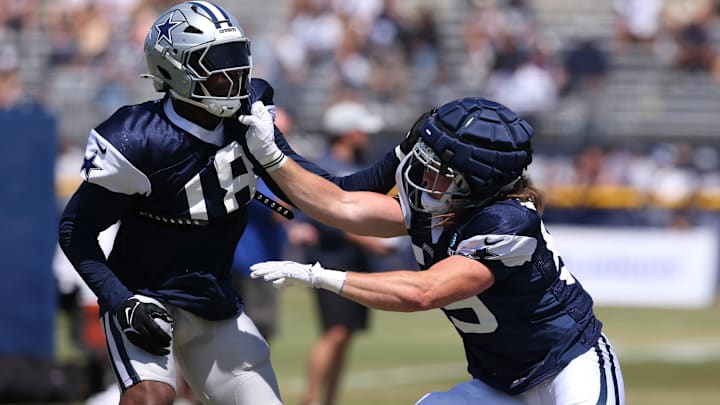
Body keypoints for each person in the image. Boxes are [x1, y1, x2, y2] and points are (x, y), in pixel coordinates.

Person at [57, 2, 405, 404]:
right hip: (145, 298)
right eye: (216, 62)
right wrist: (120, 300)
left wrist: (399, 155)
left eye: (237, 56)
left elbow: (332, 188)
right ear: (173, 69)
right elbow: (75, 230)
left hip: (213, 302)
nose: (233, 73)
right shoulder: (139, 139)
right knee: (150, 399)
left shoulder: (249, 117)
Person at [243, 97, 626, 404]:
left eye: (439, 172)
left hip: (568, 366)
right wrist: (273, 155)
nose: (423, 179)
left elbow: (423, 291)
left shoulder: (507, 225)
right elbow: (343, 204)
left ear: (477, 183)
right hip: (500, 382)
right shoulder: (441, 205)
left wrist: (319, 276)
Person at [298, 100, 396, 405]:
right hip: (332, 260)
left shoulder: (357, 166)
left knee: (345, 335)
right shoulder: (327, 168)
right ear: (346, 133)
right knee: (335, 332)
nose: (366, 136)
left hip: (354, 261)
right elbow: (326, 219)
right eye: (360, 130)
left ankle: (329, 400)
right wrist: (371, 241)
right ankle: (311, 399)